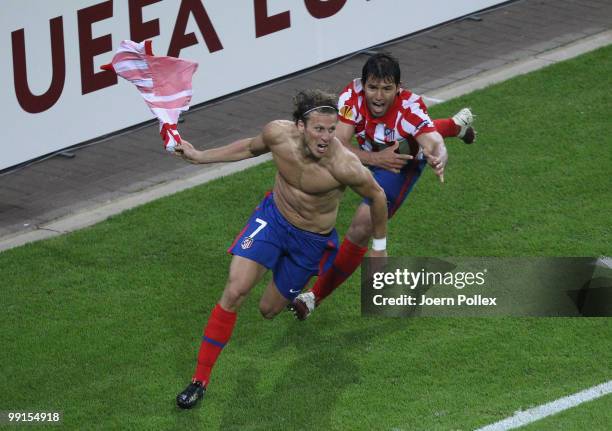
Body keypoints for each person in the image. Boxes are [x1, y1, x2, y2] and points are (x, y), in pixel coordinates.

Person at [174, 89, 445, 409]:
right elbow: (248, 147)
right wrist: (199, 155)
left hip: (310, 242)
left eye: (332, 130)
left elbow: (378, 197)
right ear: (300, 126)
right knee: (235, 290)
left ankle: (448, 126)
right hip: (272, 221)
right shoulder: (277, 134)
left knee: (268, 310)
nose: (327, 137)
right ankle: (199, 381)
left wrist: (380, 248)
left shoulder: (344, 165)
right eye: (319, 129)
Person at [290, 53, 475, 320]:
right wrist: (376, 159)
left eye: (387, 88)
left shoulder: (410, 108)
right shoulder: (350, 98)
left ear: (398, 89)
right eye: (373, 87)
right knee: (314, 184)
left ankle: (312, 297)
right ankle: (456, 126)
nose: (379, 95)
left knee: (362, 224)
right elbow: (337, 145)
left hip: (401, 162)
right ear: (362, 85)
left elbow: (431, 142)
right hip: (371, 154)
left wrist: (439, 157)